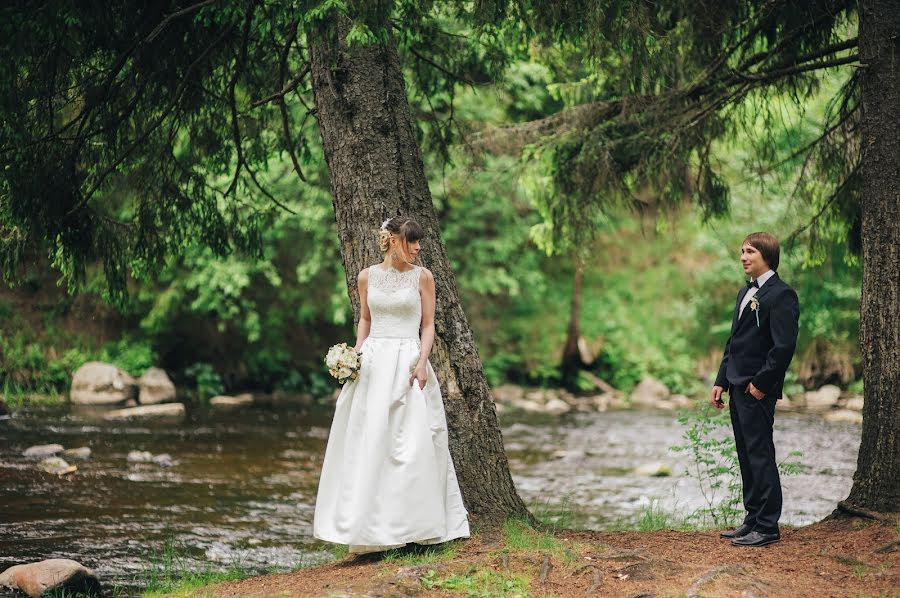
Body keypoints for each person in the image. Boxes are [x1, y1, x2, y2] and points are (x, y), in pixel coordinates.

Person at [313, 216, 470, 554]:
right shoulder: (366, 276)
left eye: (419, 242)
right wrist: (354, 354)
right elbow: (366, 319)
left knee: (411, 443)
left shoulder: (423, 277)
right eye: (412, 241)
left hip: (407, 361)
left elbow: (427, 325)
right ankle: (371, 530)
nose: (417, 247)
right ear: (395, 241)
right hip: (373, 363)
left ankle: (414, 528)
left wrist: (422, 360)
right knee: (371, 442)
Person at [711, 232, 799, 547]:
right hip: (736, 385)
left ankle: (768, 525)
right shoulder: (744, 293)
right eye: (742, 252)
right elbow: (733, 342)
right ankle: (752, 519)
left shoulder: (782, 295)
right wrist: (721, 380)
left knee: (761, 454)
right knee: (747, 455)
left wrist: (761, 385)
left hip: (757, 389)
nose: (743, 257)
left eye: (750, 251)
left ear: (766, 256)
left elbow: (783, 347)